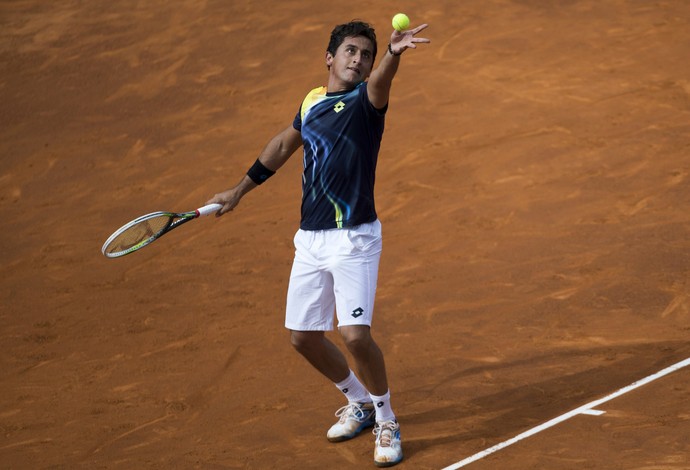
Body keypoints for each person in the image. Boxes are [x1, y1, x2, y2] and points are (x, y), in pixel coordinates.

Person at [207, 19, 429, 467]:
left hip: (355, 238)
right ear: (330, 57)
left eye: (365, 55)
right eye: (351, 51)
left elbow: (383, 79)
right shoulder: (311, 101)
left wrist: (392, 54)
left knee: (353, 335)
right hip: (310, 239)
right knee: (303, 338)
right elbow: (283, 145)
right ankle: (359, 401)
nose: (358, 60)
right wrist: (238, 190)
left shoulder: (367, 102)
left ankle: (386, 418)